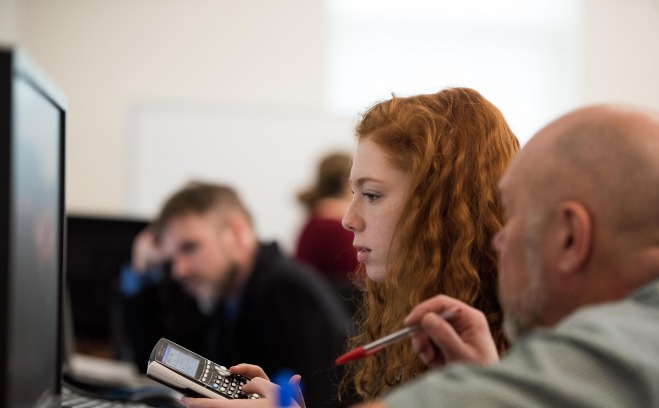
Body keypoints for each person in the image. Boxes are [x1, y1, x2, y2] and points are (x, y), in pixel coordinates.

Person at [182, 87, 520, 407]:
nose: (348, 218)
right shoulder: (409, 319)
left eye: (371, 195)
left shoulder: (516, 352)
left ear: (440, 209)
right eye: (353, 193)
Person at [358, 104, 659, 407]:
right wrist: (488, 381)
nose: (499, 236)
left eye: (513, 213)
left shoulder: (618, 351)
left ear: (570, 237)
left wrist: (481, 392)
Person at [119, 182, 349, 408]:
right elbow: (152, 367)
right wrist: (140, 276)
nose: (179, 270)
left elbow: (321, 400)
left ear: (238, 234)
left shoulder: (286, 292)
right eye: (172, 258)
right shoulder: (221, 295)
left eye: (190, 248)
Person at [295, 152, 360, 317]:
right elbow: (364, 278)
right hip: (338, 319)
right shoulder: (335, 227)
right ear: (346, 182)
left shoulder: (313, 221)